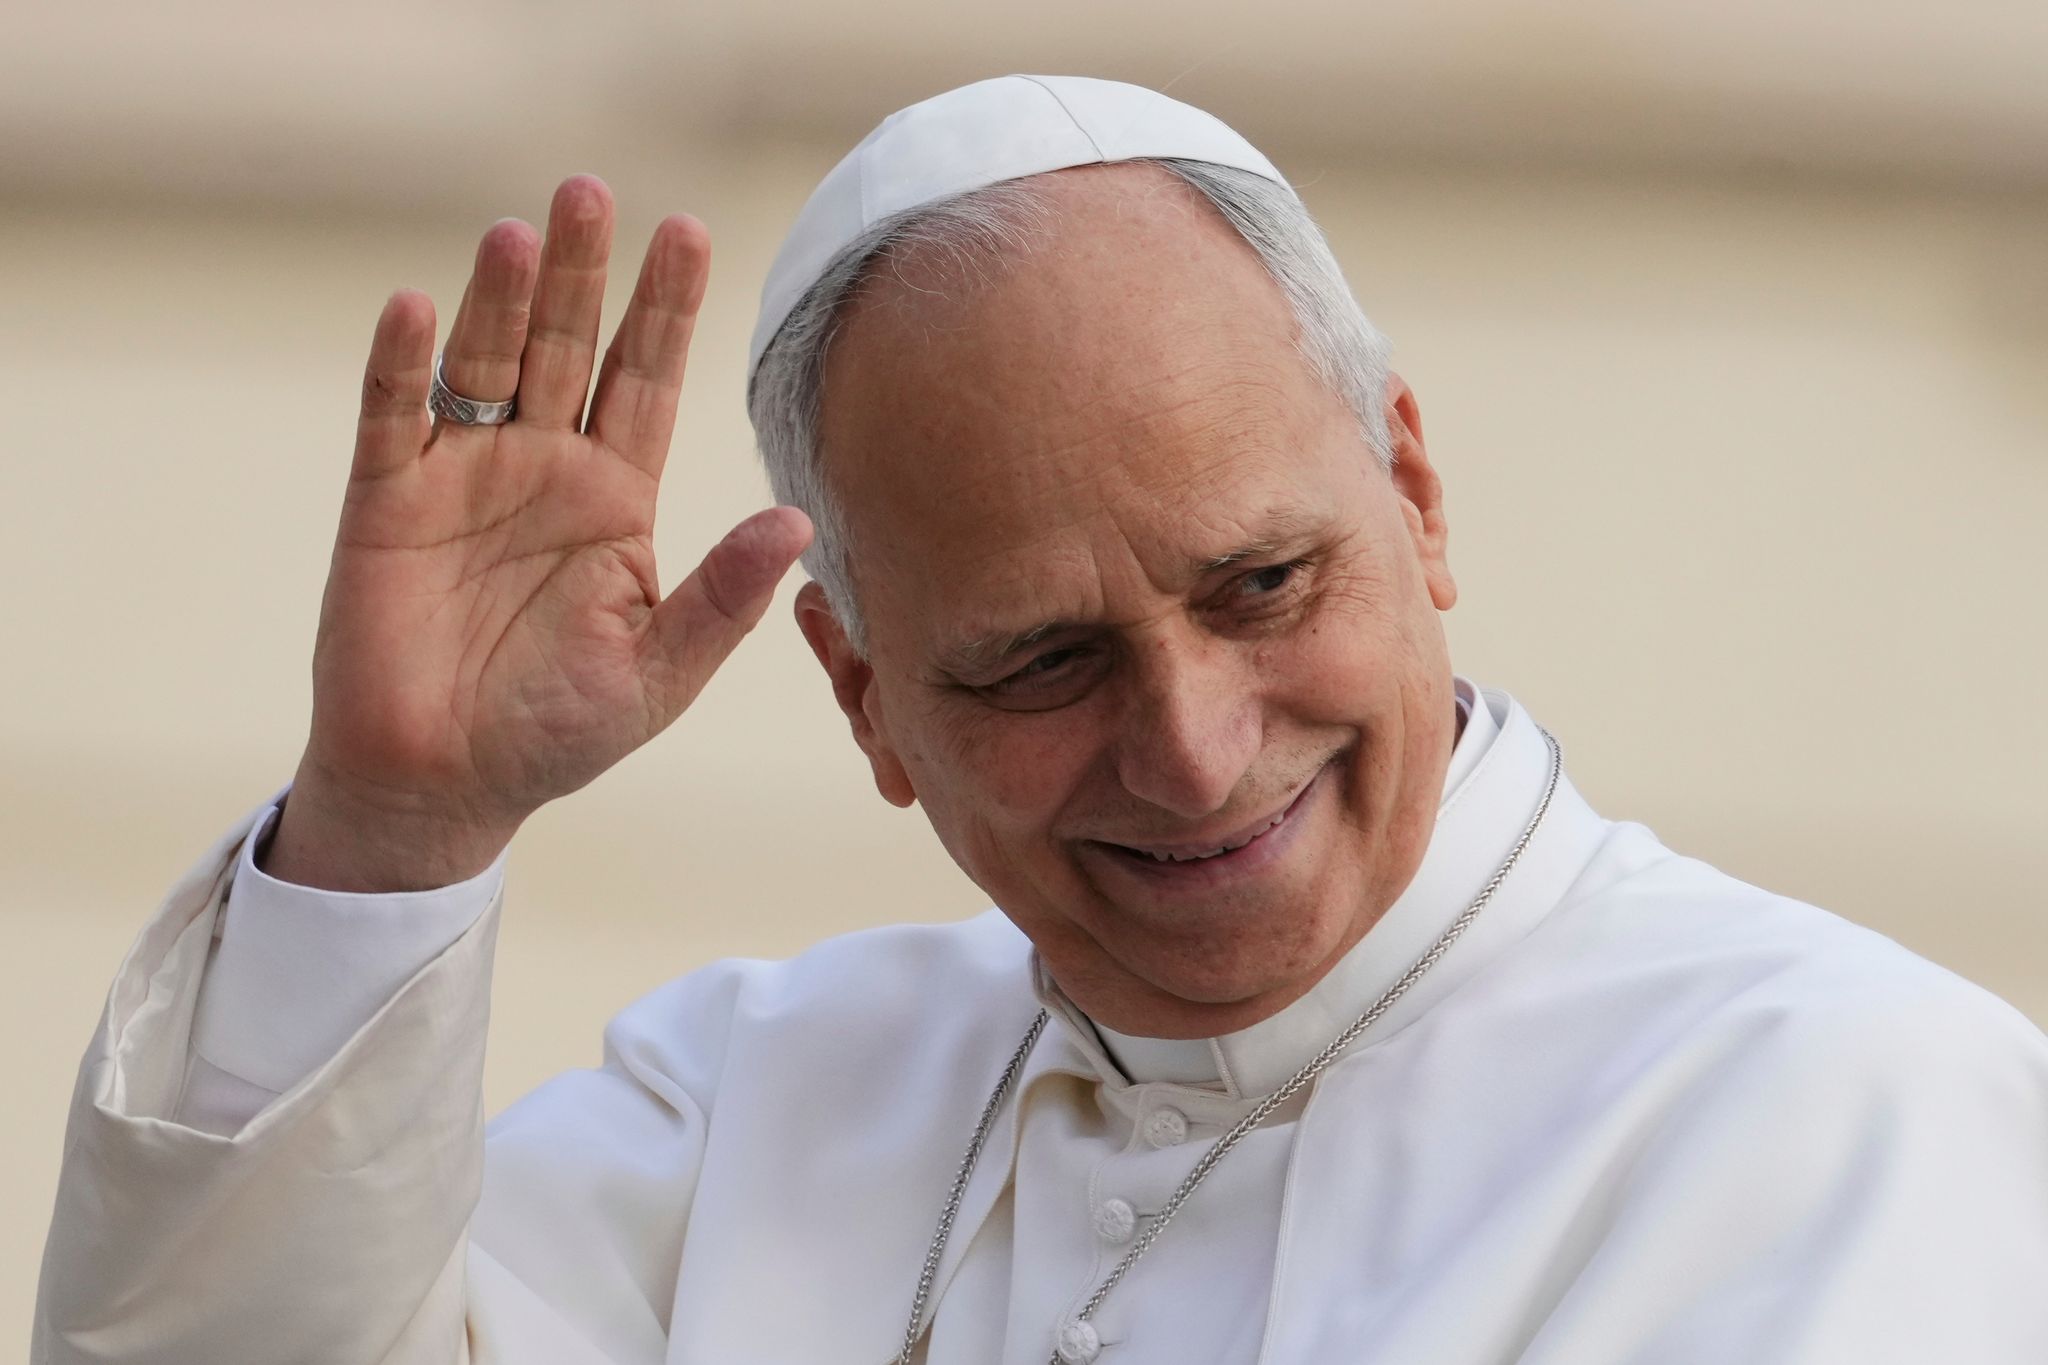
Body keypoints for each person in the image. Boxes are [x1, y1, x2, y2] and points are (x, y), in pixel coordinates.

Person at [32, 75, 2048, 1365]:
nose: (1192, 747)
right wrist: (392, 834)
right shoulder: (749, 1114)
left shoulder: (1847, 1111)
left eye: (1262, 585)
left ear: (1417, 498)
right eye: (1039, 662)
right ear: (865, 698)